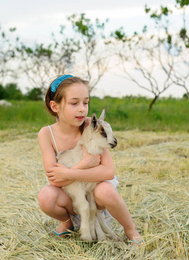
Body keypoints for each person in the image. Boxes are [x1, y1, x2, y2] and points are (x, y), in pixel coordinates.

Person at [38, 74, 143, 243]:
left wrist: (68, 173)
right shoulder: (46, 134)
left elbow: (108, 172)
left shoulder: (91, 126)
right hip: (72, 196)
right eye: (74, 103)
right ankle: (68, 222)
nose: (82, 108)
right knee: (46, 196)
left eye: (85, 102)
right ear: (55, 106)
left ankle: (130, 229)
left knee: (106, 190)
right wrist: (84, 164)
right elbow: (54, 179)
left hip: (94, 196)